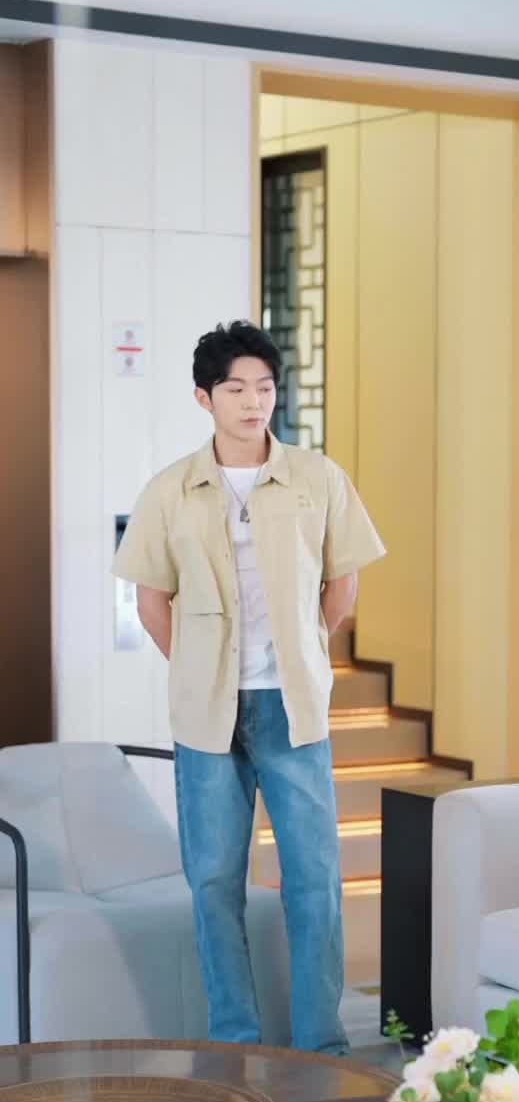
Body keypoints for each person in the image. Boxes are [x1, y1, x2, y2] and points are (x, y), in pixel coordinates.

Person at [112, 319, 385, 1055]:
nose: (253, 401)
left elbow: (342, 585)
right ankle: (235, 1042)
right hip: (208, 713)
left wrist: (304, 652)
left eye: (264, 387)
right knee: (212, 883)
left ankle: (321, 1047)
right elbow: (151, 601)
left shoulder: (318, 479)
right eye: (235, 389)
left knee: (314, 881)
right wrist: (199, 670)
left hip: (292, 707)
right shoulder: (170, 489)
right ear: (204, 398)